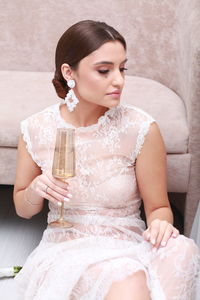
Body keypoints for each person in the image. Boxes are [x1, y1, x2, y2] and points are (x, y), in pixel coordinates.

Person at [13, 20, 199, 300]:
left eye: (122, 68)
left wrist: (161, 223)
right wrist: (35, 189)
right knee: (130, 279)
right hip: (69, 247)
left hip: (129, 244)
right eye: (104, 70)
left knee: (182, 249)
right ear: (68, 72)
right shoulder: (36, 129)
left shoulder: (140, 127)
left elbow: (159, 207)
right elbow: (22, 208)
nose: (119, 80)